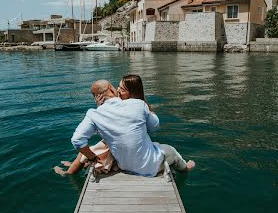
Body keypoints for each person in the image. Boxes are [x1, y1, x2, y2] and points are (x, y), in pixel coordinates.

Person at [55, 76, 194, 177]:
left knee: (99, 147)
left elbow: (77, 140)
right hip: (149, 166)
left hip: (124, 165)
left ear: (97, 97)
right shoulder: (139, 104)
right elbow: (154, 127)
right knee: (171, 151)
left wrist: (91, 157)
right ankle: (185, 168)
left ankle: (76, 168)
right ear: (111, 88)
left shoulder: (94, 113)